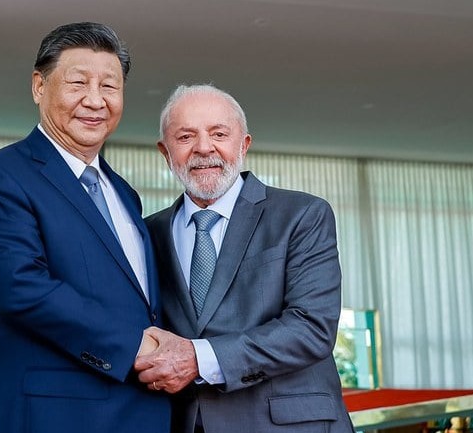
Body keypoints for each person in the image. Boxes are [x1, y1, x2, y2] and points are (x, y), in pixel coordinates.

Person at [0, 21, 169, 433]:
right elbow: (21, 289)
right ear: (39, 87)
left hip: (137, 412)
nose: (95, 100)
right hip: (50, 415)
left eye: (110, 87)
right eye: (78, 83)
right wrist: (137, 347)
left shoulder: (125, 194)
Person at [136, 84, 355, 433]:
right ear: (165, 152)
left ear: (244, 145)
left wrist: (199, 358)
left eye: (219, 133)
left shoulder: (302, 214)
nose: (203, 148)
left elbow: (311, 328)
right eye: (185, 136)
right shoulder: (147, 233)